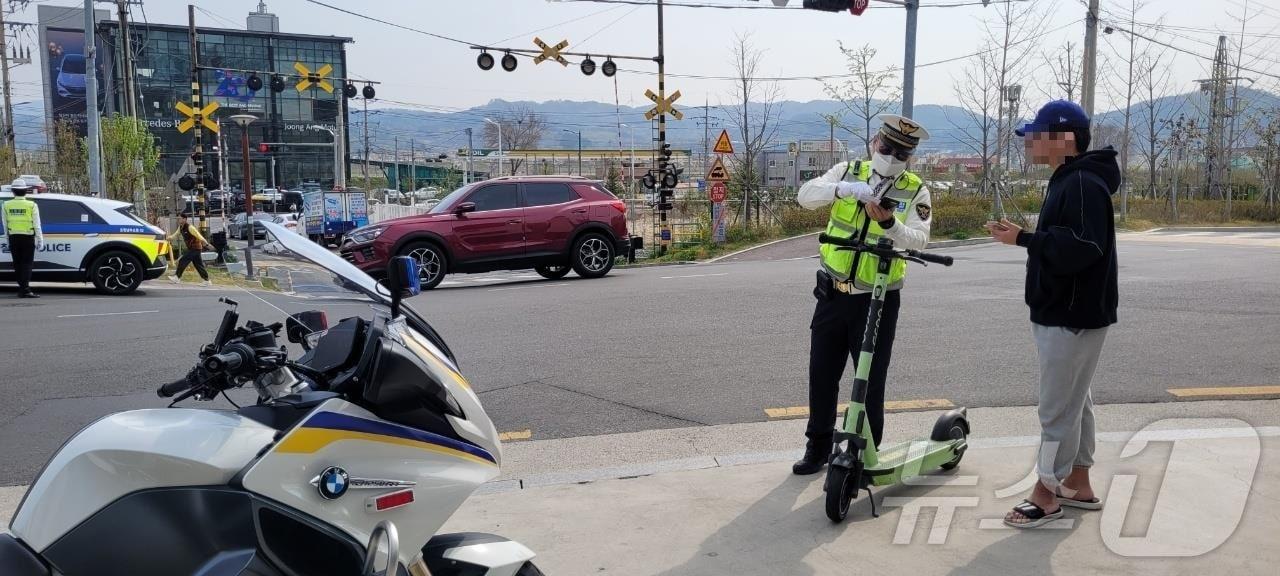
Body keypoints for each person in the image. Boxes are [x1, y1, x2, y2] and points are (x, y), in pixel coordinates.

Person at [986, 99, 1119, 529]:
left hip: (1071, 314)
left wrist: (1024, 239)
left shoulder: (1080, 183)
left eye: (1035, 135)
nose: (1028, 143)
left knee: (1057, 408)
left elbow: (1083, 247)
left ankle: (1045, 495)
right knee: (1076, 401)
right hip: (1073, 311)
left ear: (1063, 139)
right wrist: (1026, 238)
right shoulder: (1074, 179)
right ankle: (1078, 484)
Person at [791, 114, 933, 475]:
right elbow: (805, 196)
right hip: (833, 292)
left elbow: (920, 239)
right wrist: (842, 190)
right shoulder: (848, 171)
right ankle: (817, 447)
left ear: (910, 157)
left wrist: (890, 224)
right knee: (822, 374)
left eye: (901, 154)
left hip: (877, 300)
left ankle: (865, 453)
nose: (892, 157)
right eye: (886, 148)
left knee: (870, 381)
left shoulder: (915, 189)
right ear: (874, 143)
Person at [2, 178, 43, 298]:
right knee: (27, 264)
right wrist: (40, 239)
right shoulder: (32, 205)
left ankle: (22, 288)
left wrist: (7, 239)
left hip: (13, 238)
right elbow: (37, 225)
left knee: (17, 264)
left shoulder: (6, 205)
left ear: (13, 191)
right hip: (27, 238)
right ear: (25, 191)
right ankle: (25, 289)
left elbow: (5, 224)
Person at [168, 214, 213, 287]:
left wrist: (207, 243)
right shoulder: (181, 227)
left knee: (183, 260)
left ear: (185, 219)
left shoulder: (190, 227)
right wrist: (169, 238)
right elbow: (175, 234)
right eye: (178, 218)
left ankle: (177, 277)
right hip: (192, 249)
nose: (179, 220)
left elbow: (199, 236)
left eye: (180, 218)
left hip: (195, 248)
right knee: (198, 265)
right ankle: (207, 281)